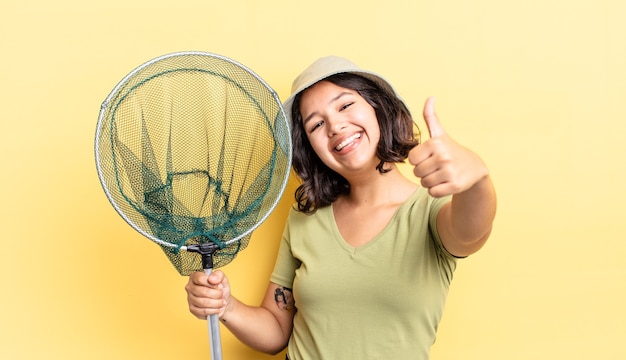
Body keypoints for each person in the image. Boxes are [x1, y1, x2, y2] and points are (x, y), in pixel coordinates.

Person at [185, 56, 497, 359]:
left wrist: (476, 178)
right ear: (311, 148)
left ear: (378, 108)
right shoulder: (306, 217)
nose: (334, 126)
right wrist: (225, 305)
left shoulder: (431, 210)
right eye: (316, 124)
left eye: (345, 105)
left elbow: (471, 232)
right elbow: (277, 329)